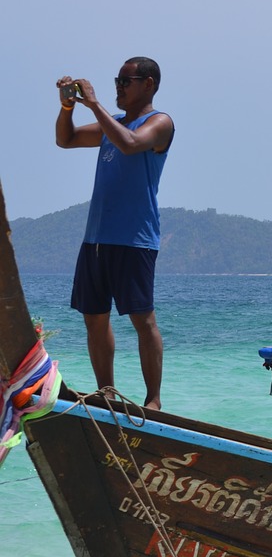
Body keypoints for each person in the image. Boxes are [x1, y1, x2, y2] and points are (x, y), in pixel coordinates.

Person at [56, 57, 175, 410]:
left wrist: (93, 103)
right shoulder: (115, 124)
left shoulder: (159, 123)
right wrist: (67, 107)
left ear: (149, 83)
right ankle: (106, 393)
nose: (119, 87)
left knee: (142, 318)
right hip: (95, 238)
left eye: (126, 81)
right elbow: (67, 139)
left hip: (134, 238)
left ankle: (153, 400)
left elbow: (130, 143)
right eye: (117, 81)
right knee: (94, 316)